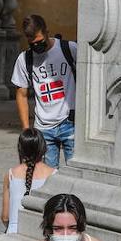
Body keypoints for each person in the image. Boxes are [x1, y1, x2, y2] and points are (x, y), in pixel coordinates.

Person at [12, 15, 77, 168]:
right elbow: (21, 94)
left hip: (71, 124)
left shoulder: (69, 49)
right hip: (43, 128)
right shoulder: (24, 59)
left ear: (47, 32)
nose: (37, 46)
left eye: (40, 41)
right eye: (32, 43)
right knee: (48, 179)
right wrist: (26, 129)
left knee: (76, 175)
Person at [1, 128, 56, 235]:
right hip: (42, 233)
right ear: (44, 148)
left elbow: (5, 217)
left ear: (20, 149)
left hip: (14, 233)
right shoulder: (54, 174)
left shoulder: (11, 174)